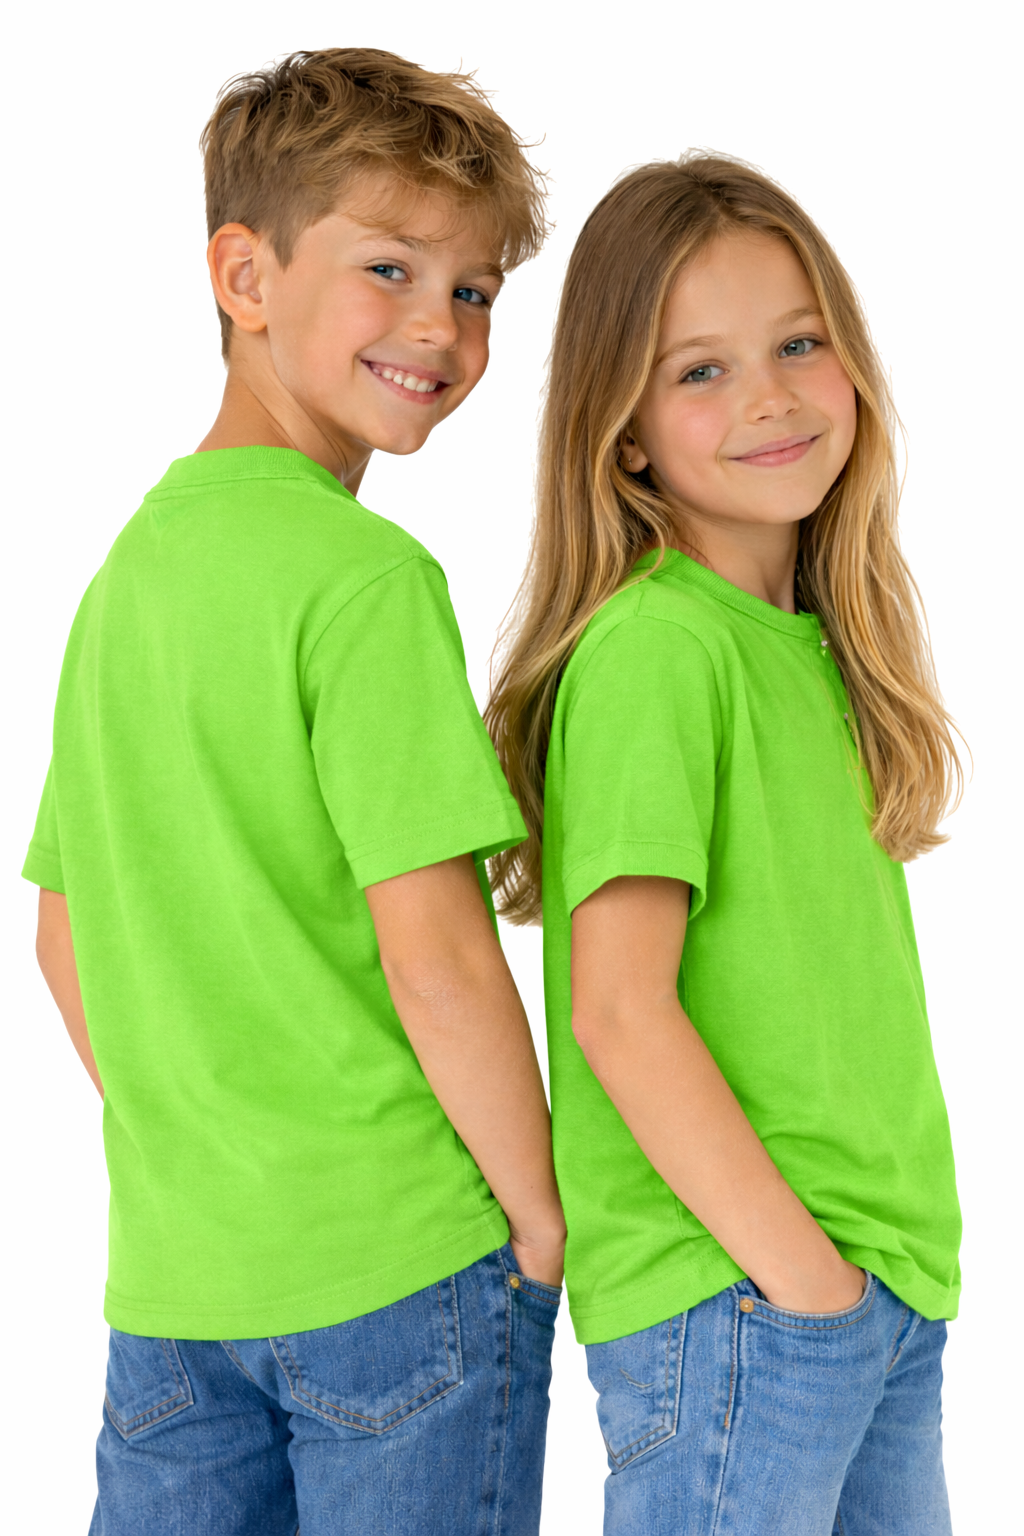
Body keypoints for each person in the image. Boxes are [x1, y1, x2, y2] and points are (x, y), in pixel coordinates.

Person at [25, 48, 564, 1536]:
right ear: (243, 276)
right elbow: (437, 955)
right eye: (391, 268)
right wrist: (538, 1214)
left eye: (474, 291)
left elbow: (66, 932)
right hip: (401, 1267)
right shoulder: (366, 580)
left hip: (178, 1281)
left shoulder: (129, 575)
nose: (440, 325)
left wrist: (218, 1151)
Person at [487, 154, 961, 1534]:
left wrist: (851, 1293)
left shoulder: (804, 650)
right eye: (700, 370)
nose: (770, 396)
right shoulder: (658, 649)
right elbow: (618, 1011)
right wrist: (804, 1285)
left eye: (799, 344)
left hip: (867, 1289)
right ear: (623, 432)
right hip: (745, 1304)